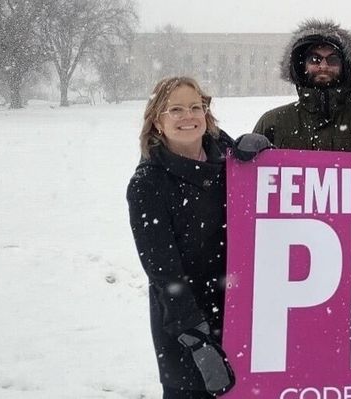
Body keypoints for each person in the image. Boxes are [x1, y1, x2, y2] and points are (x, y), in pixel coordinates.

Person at [127, 77, 236, 398]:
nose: (187, 116)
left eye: (194, 107)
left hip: (238, 310)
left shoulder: (231, 161)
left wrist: (262, 154)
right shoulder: (148, 183)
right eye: (175, 109)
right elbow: (164, 273)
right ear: (157, 122)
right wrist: (197, 339)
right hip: (186, 323)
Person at [247, 19, 351, 153]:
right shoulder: (272, 123)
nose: (323, 66)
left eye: (332, 60)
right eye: (315, 59)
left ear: (345, 67)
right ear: (302, 66)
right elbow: (248, 177)